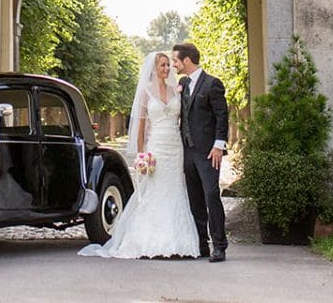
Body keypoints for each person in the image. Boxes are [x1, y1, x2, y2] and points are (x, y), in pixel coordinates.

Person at [78, 52, 200, 259]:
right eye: (162, 65)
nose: (166, 68)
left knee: (175, 189)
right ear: (153, 68)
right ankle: (149, 240)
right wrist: (142, 155)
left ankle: (178, 240)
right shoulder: (145, 92)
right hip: (157, 147)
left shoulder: (175, 90)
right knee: (155, 190)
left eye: (168, 65)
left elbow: (183, 120)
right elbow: (142, 127)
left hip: (175, 147)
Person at [172, 41, 229, 262]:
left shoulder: (212, 84)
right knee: (194, 197)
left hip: (208, 151)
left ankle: (219, 245)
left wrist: (218, 145)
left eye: (176, 60)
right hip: (187, 150)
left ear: (187, 60)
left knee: (212, 195)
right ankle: (201, 244)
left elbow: (222, 116)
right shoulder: (182, 83)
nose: (174, 64)